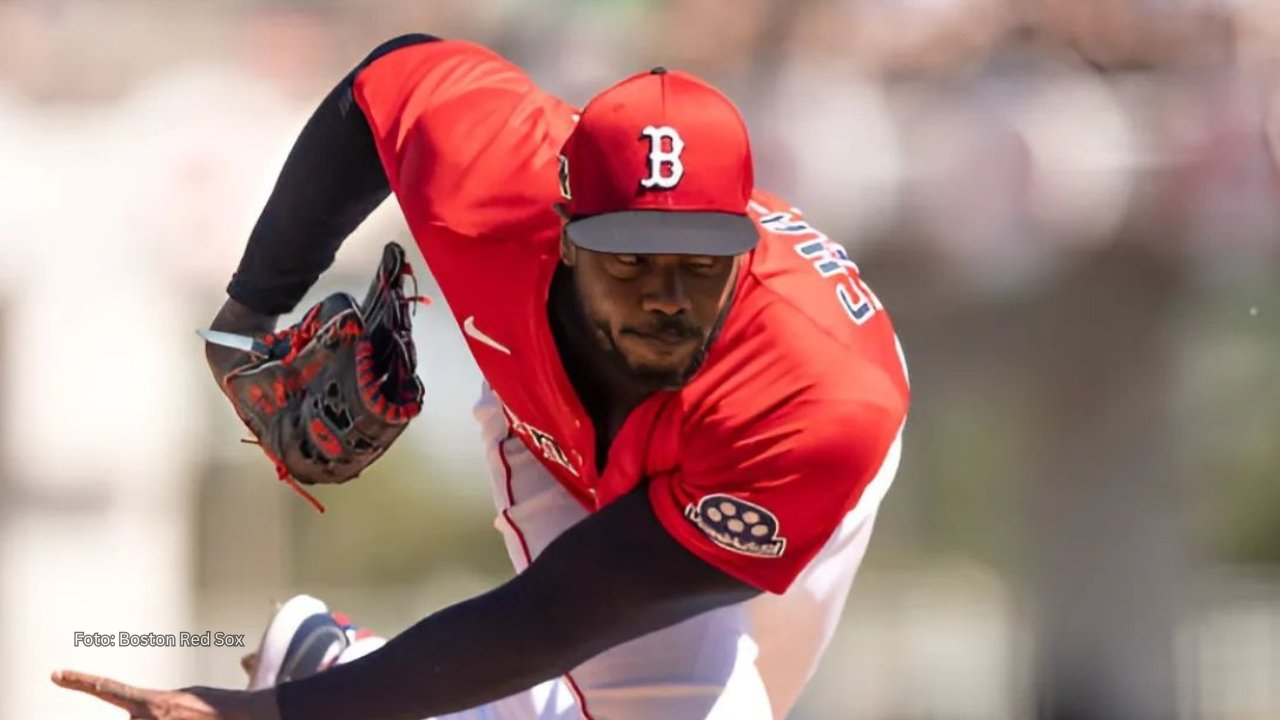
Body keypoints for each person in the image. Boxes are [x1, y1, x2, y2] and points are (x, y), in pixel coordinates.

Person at [53, 33, 910, 720]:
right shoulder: (495, 181)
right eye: (629, 259)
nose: (666, 301)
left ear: (746, 245)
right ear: (565, 231)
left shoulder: (816, 403)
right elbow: (387, 82)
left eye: (701, 261)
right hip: (549, 427)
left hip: (777, 469)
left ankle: (333, 660)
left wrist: (285, 711)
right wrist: (247, 313)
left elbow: (561, 615)